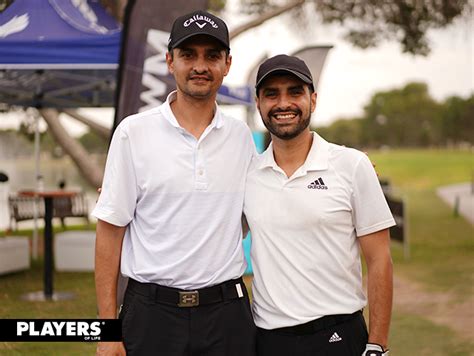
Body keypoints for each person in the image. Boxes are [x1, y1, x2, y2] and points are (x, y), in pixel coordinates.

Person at [93, 10, 256, 356]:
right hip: (151, 314)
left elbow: (265, 206)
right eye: (188, 55)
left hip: (227, 314)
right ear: (169, 61)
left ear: (227, 64)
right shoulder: (132, 133)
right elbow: (110, 232)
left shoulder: (242, 138)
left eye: (212, 55)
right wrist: (107, 331)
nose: (200, 65)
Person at [243, 55, 395, 356]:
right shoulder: (246, 174)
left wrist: (377, 345)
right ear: (258, 103)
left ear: (313, 100)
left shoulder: (352, 165)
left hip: (338, 335)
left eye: (295, 92)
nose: (283, 103)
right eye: (271, 94)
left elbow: (380, 261)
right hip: (268, 341)